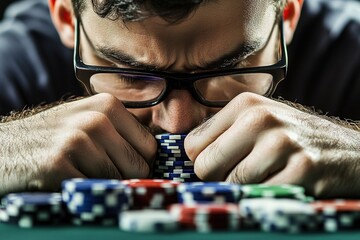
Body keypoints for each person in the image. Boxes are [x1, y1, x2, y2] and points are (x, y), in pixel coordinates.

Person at [0, 0, 359, 198]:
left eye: (229, 68)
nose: (180, 126)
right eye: (131, 75)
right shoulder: (20, 55)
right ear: (66, 19)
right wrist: (9, 150)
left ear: (289, 13)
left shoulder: (350, 49)